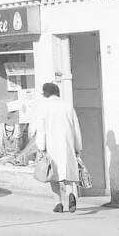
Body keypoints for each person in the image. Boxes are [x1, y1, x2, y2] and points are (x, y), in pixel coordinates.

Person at [36, 82, 84, 213]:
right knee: (67, 172)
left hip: (51, 145)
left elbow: (41, 129)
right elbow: (76, 128)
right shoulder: (67, 106)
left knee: (53, 173)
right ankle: (70, 193)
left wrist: (41, 147)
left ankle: (58, 203)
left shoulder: (44, 107)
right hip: (67, 143)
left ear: (45, 93)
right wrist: (78, 146)